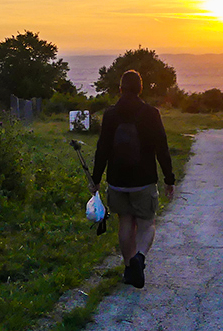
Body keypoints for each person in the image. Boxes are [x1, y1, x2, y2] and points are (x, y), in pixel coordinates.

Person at [91, 70, 175, 289]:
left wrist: (96, 177)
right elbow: (162, 148)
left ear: (120, 89)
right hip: (144, 180)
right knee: (147, 223)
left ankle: (129, 268)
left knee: (125, 221)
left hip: (117, 180)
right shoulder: (151, 113)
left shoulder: (110, 115)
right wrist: (169, 178)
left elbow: (103, 148)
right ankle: (139, 257)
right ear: (141, 89)